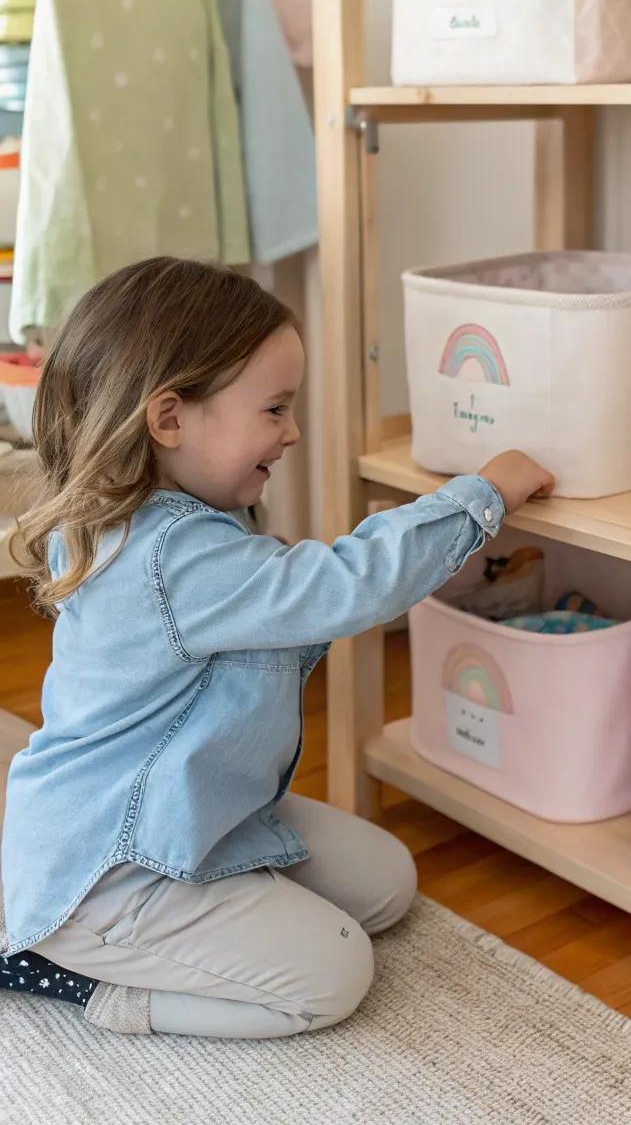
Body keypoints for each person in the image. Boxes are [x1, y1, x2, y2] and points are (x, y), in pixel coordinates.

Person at [0, 257, 553, 1039]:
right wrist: (481, 495)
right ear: (170, 420)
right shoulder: (170, 557)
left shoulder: (168, 528)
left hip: (195, 816)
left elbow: (287, 614)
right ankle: (80, 980)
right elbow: (352, 584)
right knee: (332, 974)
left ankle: (210, 902)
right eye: (275, 410)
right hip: (112, 869)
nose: (292, 433)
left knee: (386, 885)